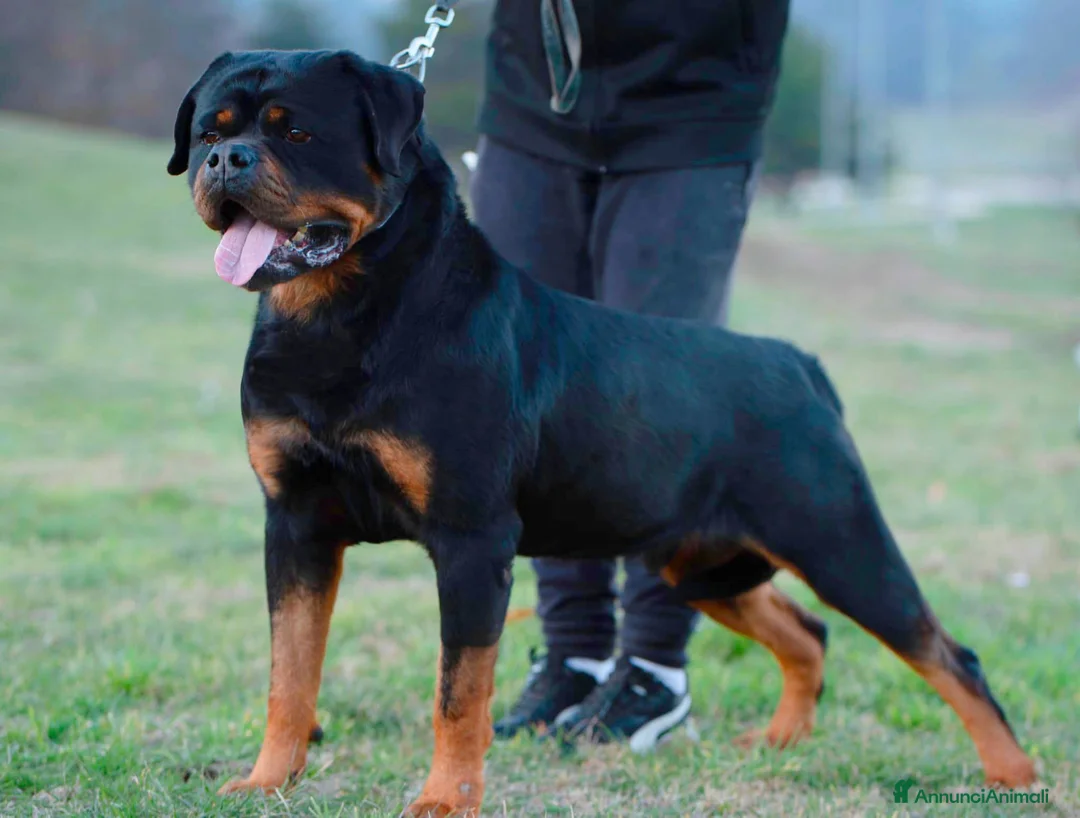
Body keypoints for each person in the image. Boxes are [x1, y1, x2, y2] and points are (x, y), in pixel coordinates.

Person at [468, 0, 792, 749]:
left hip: (695, 97)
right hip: (535, 91)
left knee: (655, 397)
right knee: (527, 382)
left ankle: (654, 665)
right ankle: (574, 651)